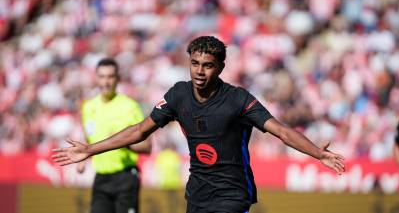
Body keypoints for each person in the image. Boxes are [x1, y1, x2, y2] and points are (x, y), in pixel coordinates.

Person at [53, 36, 345, 213]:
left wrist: (317, 153)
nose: (200, 71)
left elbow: (280, 130)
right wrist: (91, 149)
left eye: (207, 65)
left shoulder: (238, 99)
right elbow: (139, 131)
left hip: (232, 194)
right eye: (195, 63)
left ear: (220, 67)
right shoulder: (178, 95)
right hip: (198, 193)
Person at [78, 58, 151, 213]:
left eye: (110, 76)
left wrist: (123, 141)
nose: (106, 82)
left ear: (118, 78)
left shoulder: (129, 107)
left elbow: (147, 146)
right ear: (96, 78)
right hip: (101, 178)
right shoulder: (88, 107)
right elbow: (90, 137)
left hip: (125, 177)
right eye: (102, 76)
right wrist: (84, 157)